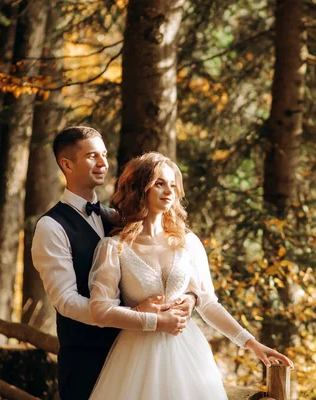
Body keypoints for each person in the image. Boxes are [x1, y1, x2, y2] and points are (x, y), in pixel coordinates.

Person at [87, 152, 293, 400]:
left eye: (173, 184)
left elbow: (207, 303)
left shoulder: (187, 243)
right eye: (159, 183)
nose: (169, 191)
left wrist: (252, 344)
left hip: (188, 354)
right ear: (139, 189)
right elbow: (99, 311)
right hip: (136, 358)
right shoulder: (115, 247)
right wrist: (152, 320)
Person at [31, 127, 195, 400]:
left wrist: (187, 299)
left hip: (135, 353)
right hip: (86, 357)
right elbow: (66, 300)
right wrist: (133, 315)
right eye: (92, 156)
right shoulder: (51, 227)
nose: (103, 163)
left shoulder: (120, 219)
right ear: (67, 164)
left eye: (104, 154)